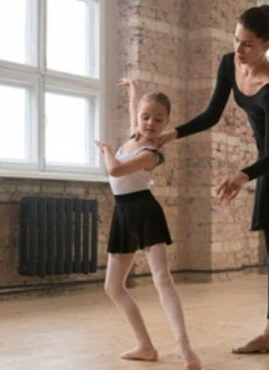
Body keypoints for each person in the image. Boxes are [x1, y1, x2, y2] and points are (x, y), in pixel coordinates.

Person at [158, 5, 269, 358]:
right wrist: (172, 134)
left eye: (248, 45)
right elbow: (212, 114)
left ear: (268, 44)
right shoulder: (229, 64)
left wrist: (241, 176)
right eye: (237, 40)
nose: (239, 51)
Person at [95, 78, 201, 369]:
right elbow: (134, 110)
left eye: (158, 119)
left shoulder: (150, 153)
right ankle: (144, 345)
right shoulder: (134, 136)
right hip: (123, 213)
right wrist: (133, 90)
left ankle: (184, 345)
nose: (150, 123)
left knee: (161, 279)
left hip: (144, 210)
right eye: (145, 117)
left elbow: (115, 170)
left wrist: (105, 149)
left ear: (167, 122)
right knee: (113, 286)